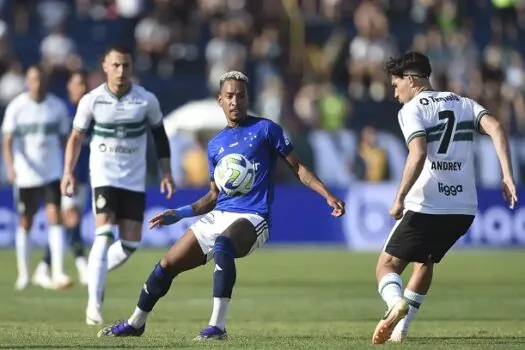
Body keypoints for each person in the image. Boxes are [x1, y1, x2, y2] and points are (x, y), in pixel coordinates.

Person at [97, 71, 346, 340]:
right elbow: (212, 196)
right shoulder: (215, 145)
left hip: (253, 217)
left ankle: (217, 327)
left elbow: (298, 167)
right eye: (229, 96)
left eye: (240, 95)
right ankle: (136, 323)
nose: (235, 101)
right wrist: (178, 214)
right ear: (220, 101)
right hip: (219, 214)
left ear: (247, 98)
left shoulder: (266, 129)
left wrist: (327, 194)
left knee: (223, 246)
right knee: (167, 264)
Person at [372, 51, 518, 344]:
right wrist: (507, 175)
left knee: (386, 266)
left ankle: (394, 305)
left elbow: (418, 152)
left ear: (411, 80)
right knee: (425, 261)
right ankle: (401, 329)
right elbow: (497, 127)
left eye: (396, 83)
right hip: (463, 208)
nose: (394, 91)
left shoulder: (412, 110)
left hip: (428, 203)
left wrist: (399, 197)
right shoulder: (462, 102)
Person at [60, 45, 175, 326]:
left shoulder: (146, 100)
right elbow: (75, 138)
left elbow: (160, 137)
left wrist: (166, 172)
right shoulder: (92, 100)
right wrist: (68, 172)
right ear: (104, 66)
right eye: (116, 65)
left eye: (125, 65)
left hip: (133, 180)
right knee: (103, 235)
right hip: (104, 176)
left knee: (131, 243)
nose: (121, 71)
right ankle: (94, 305)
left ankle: (93, 270)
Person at [1, 65, 70, 290]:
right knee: (25, 221)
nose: (37, 83)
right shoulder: (17, 107)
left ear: (45, 81)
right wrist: (11, 167)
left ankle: (58, 272)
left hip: (52, 171)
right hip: (26, 175)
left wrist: (68, 169)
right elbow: (8, 140)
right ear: (27, 82)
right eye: (32, 79)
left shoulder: (56, 107)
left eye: (40, 79)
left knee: (55, 216)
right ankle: (24, 275)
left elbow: (65, 139)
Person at [32, 70, 90, 289]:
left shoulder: (91, 112)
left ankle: (43, 268)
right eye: (78, 84)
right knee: (70, 218)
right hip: (66, 176)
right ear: (69, 87)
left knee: (69, 222)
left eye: (84, 84)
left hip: (84, 176)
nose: (82, 89)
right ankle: (81, 264)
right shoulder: (63, 112)